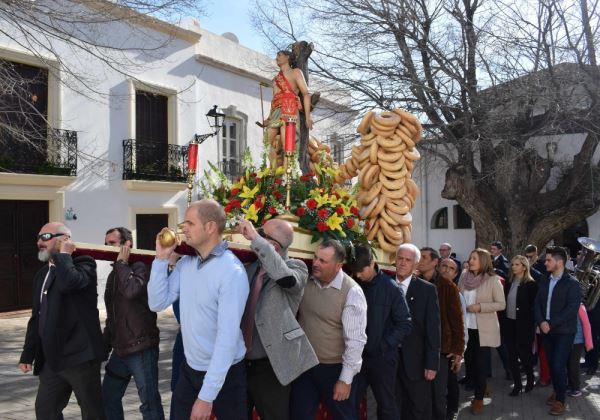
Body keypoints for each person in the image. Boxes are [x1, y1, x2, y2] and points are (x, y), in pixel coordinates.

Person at [148, 199, 249, 420]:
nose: (183, 228)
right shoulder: (186, 264)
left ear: (210, 227)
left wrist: (206, 397)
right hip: (190, 368)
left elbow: (226, 339)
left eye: (190, 223)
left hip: (227, 374)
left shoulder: (232, 271)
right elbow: (156, 303)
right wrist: (160, 259)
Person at [19, 222, 105, 420]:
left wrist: (65, 256)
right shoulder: (42, 274)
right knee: (45, 410)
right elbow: (37, 317)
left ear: (64, 240)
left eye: (46, 237)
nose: (39, 242)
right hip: (52, 359)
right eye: (39, 237)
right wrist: (27, 354)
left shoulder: (84, 263)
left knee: (92, 412)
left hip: (80, 356)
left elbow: (70, 284)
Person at [237, 218, 318, 420]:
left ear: (272, 245)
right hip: (239, 363)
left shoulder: (296, 268)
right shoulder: (249, 267)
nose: (255, 236)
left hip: (271, 367)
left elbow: (285, 277)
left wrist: (255, 238)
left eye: (261, 233)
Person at [291, 239, 367, 420]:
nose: (315, 263)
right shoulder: (306, 281)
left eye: (323, 261)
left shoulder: (352, 292)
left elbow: (356, 340)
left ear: (338, 265)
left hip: (334, 369)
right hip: (305, 365)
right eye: (315, 257)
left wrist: (345, 379)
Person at [101, 227, 163, 420]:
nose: (107, 247)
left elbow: (131, 291)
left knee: (149, 404)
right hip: (121, 350)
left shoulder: (141, 266)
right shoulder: (115, 273)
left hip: (141, 347)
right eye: (106, 243)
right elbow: (113, 314)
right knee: (108, 397)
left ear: (127, 245)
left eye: (112, 243)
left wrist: (121, 263)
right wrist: (105, 345)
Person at [348, 244, 412, 420]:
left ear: (372, 264)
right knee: (349, 402)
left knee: (386, 405)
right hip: (356, 357)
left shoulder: (392, 288)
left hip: (382, 359)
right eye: (355, 271)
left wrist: (383, 346)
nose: (358, 275)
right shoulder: (354, 284)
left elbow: (405, 324)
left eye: (361, 271)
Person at [395, 244, 441, 420]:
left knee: (417, 408)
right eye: (400, 258)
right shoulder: (385, 284)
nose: (403, 263)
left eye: (408, 260)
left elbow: (433, 329)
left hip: (416, 362)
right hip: (389, 361)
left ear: (415, 264)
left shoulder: (426, 290)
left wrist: (431, 363)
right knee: (391, 406)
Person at [534, 246, 581, 416]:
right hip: (546, 330)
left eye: (548, 260)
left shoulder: (572, 283)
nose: (545, 262)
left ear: (560, 262)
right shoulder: (545, 279)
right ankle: (557, 389)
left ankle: (561, 400)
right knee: (552, 364)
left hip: (564, 332)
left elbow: (571, 309)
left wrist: (550, 323)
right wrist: (541, 322)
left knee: (558, 364)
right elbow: (537, 303)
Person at [458, 248, 505, 416]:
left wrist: (480, 307)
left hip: (483, 329)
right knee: (469, 360)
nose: (470, 261)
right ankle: (481, 385)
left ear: (483, 261)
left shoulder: (493, 280)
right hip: (466, 327)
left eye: (474, 259)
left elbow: (501, 304)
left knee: (481, 364)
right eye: (470, 258)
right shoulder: (464, 276)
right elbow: (459, 296)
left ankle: (478, 399)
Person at [264, 49, 313, 168]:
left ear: (287, 57)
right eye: (276, 55)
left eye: (279, 55)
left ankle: (288, 177)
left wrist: (308, 117)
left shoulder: (296, 72)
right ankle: (273, 173)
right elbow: (274, 99)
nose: (277, 58)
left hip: (289, 109)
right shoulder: (276, 79)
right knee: (266, 142)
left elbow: (306, 94)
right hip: (276, 110)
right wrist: (269, 117)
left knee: (289, 145)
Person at [430, 257, 464, 420]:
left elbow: (460, 324)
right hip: (436, 346)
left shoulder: (454, 291)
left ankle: (452, 410)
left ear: (456, 274)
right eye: (444, 266)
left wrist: (459, 350)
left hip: (449, 348)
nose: (445, 270)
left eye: (451, 269)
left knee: (449, 383)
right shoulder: (432, 286)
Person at [501, 255, 538, 396]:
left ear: (524, 266)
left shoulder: (531, 284)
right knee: (511, 356)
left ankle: (530, 379)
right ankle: (517, 384)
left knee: (525, 355)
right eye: (512, 264)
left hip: (524, 326)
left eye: (516, 264)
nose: (513, 267)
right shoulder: (509, 282)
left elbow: (533, 308)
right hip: (509, 324)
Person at [566, 303, 593, 398]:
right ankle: (570, 385)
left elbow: (586, 324)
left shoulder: (580, 306)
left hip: (578, 341)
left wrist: (589, 343)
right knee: (568, 364)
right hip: (567, 340)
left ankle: (576, 388)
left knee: (574, 364)